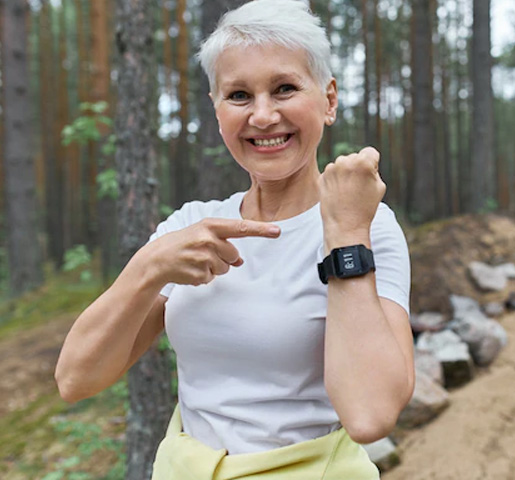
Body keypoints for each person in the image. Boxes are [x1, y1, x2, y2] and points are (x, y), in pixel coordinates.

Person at [55, 0, 413, 477]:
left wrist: (345, 234)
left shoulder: (367, 226)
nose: (263, 116)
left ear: (328, 100)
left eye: (284, 88)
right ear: (217, 109)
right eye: (239, 95)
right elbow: (77, 379)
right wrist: (148, 268)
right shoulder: (192, 226)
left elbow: (370, 415)